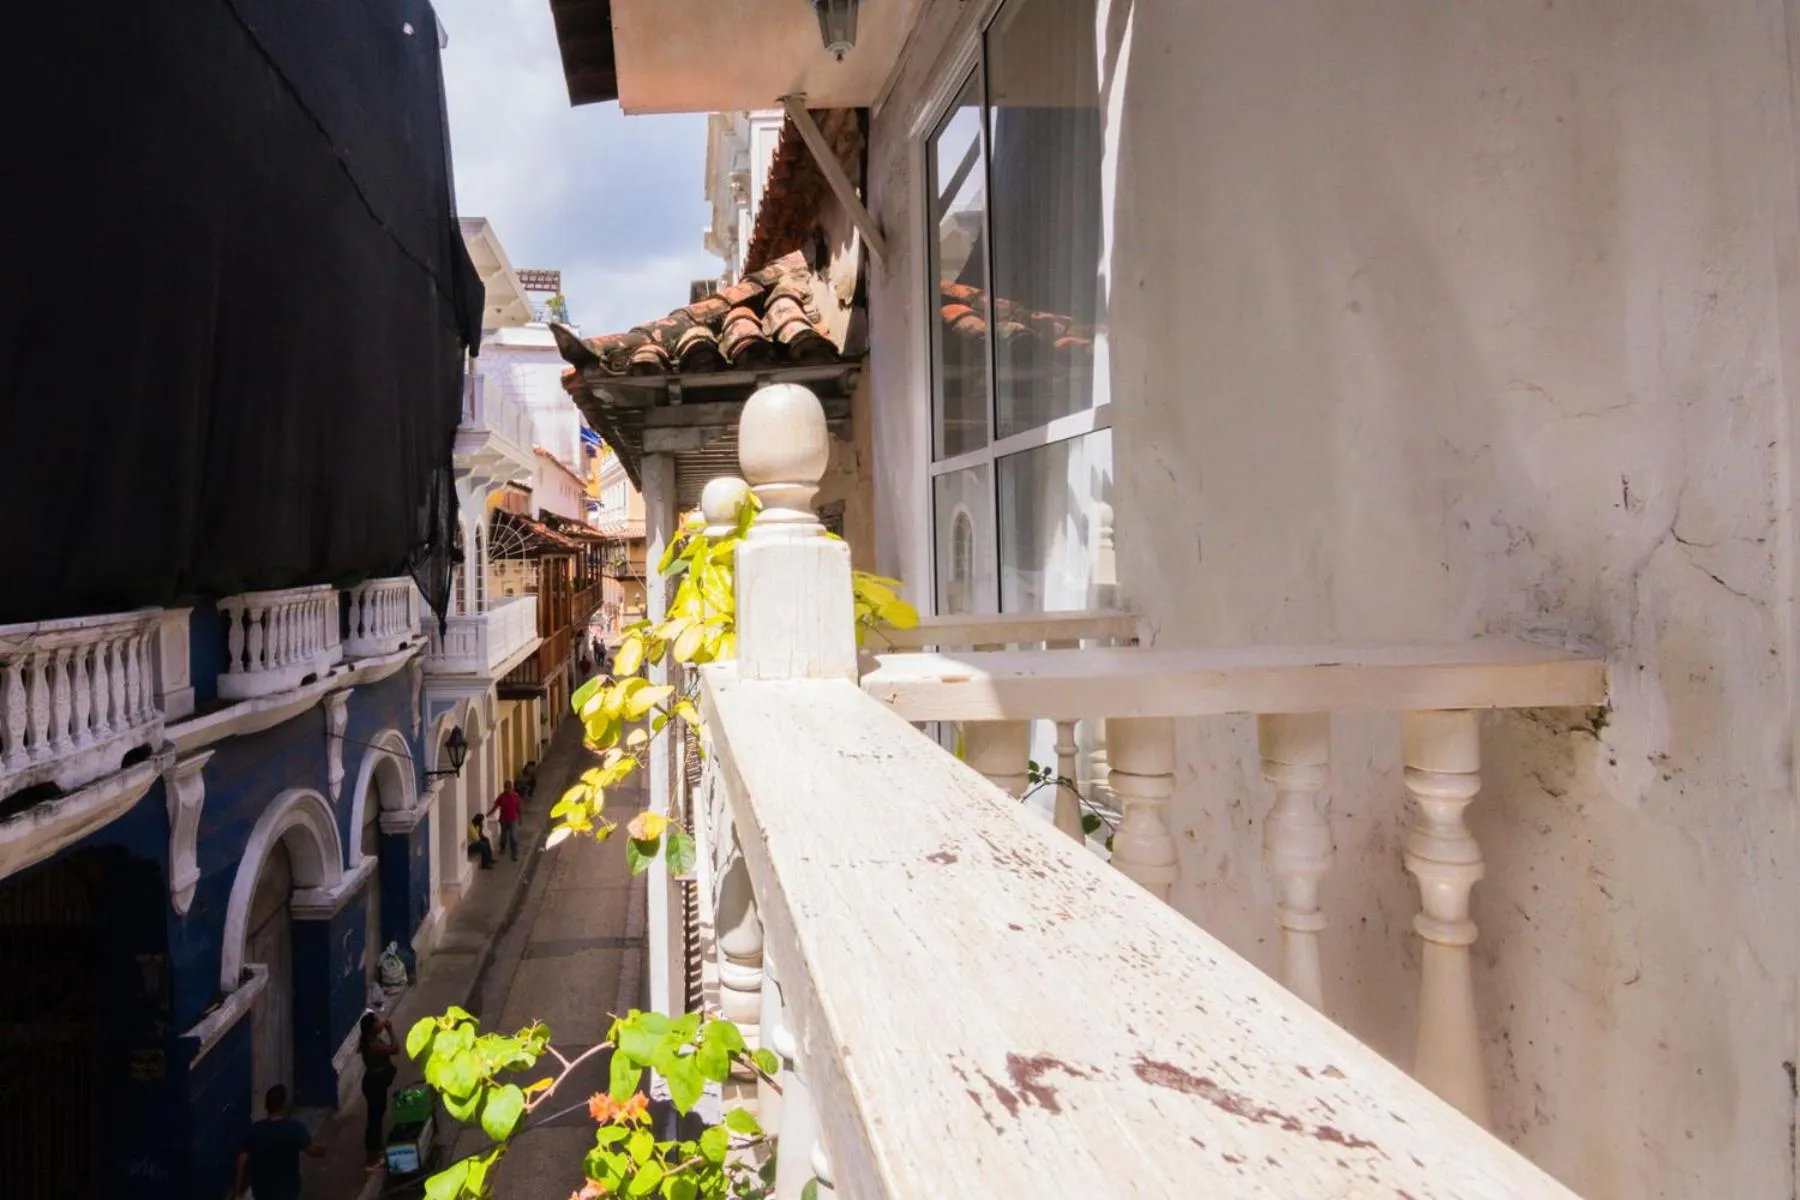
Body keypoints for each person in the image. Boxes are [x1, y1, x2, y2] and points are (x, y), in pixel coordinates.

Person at [234, 1084, 323, 1200]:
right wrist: (324, 1149)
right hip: (287, 1193)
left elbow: (241, 1162)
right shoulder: (295, 1128)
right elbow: (312, 1150)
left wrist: (238, 1193)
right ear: (283, 1105)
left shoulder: (254, 1131)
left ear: (267, 1106)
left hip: (262, 1194)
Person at [359, 1010, 400, 1172]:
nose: (380, 1022)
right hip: (374, 1085)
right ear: (371, 1028)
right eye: (377, 1021)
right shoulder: (373, 1045)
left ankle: (376, 1151)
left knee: (377, 1117)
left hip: (375, 1083)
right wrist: (390, 1030)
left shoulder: (370, 1040)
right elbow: (395, 1048)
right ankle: (372, 1160)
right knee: (375, 1121)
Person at [491, 781, 524, 862]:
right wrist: (488, 814)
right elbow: (496, 806)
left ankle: (514, 853)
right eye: (507, 787)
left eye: (510, 787)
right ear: (505, 788)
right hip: (503, 820)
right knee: (503, 836)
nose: (509, 789)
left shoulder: (516, 796)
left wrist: (520, 818)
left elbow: (518, 808)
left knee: (513, 837)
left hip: (513, 819)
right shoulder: (502, 797)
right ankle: (502, 848)